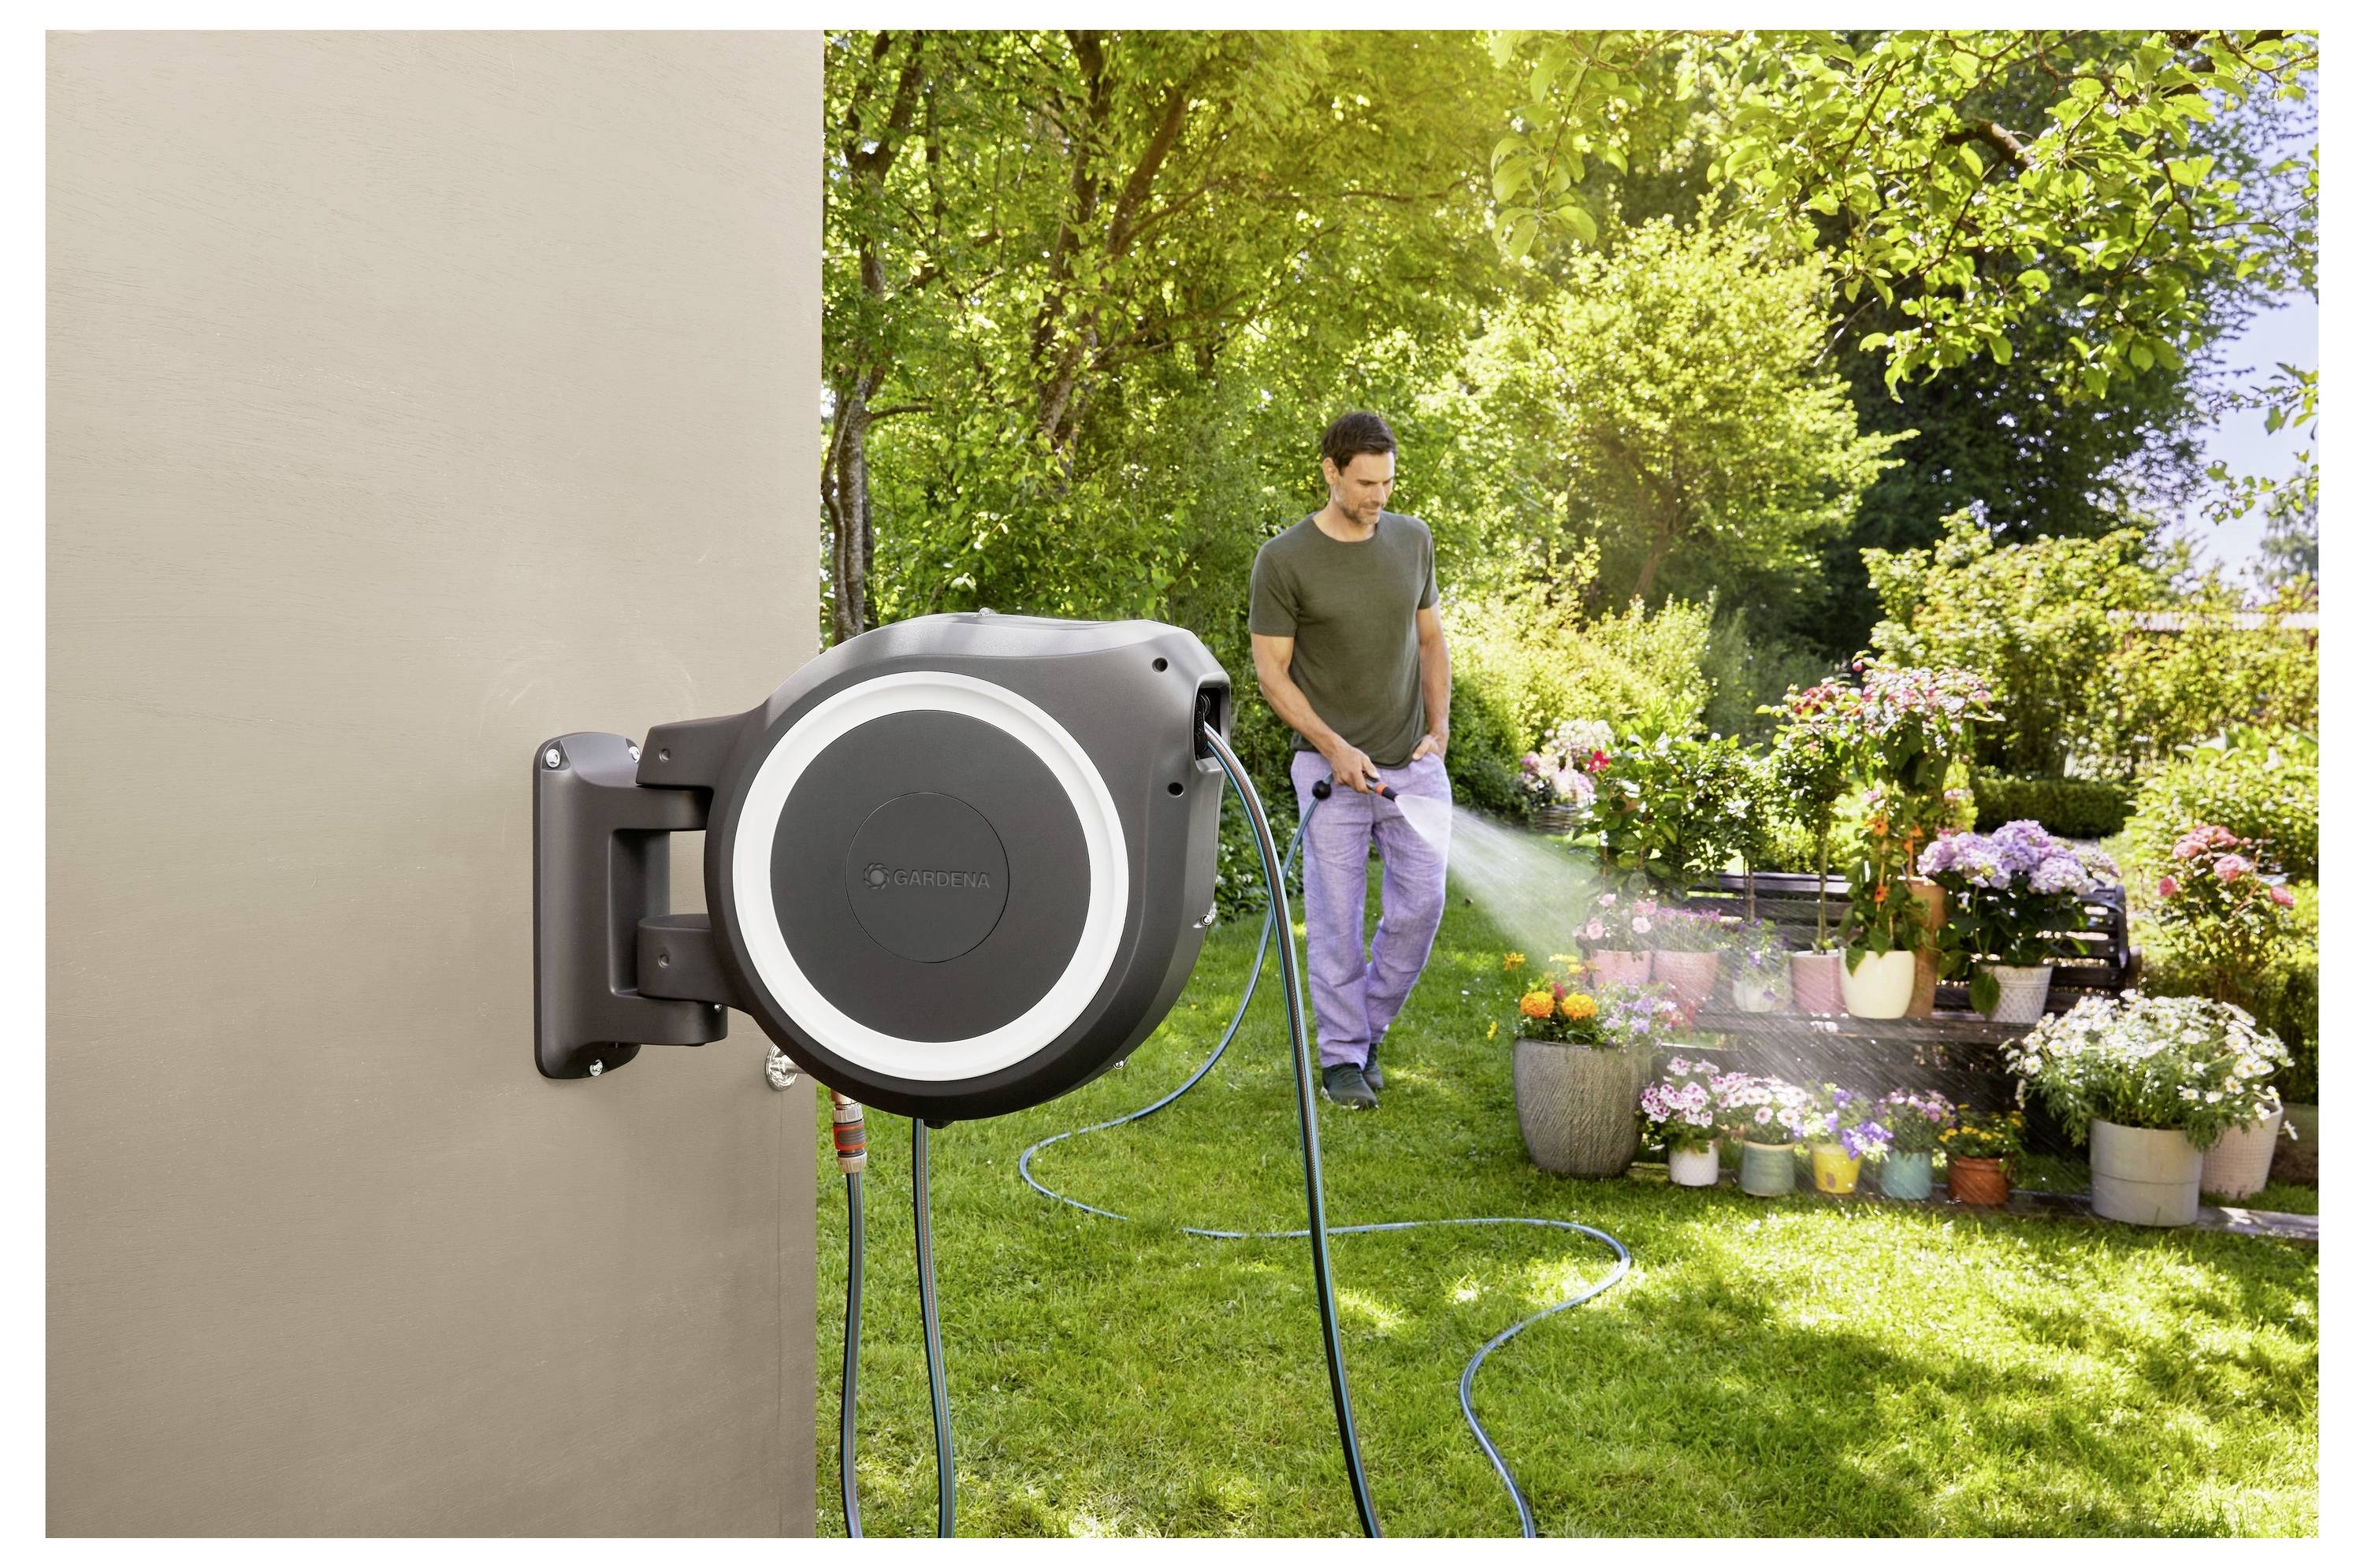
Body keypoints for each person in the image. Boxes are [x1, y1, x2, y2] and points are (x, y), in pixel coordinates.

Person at [1248, 411, 1451, 1110]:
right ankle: (1340, 1058)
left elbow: (1430, 640)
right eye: (1365, 483)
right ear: (1331, 471)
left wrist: (1441, 727)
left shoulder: (1413, 539)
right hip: (1327, 772)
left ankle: (1368, 1030)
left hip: (1412, 762)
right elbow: (1272, 675)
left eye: (1388, 482)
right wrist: (1333, 746)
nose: (1378, 496)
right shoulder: (1284, 560)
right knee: (1336, 919)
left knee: (1422, 905)